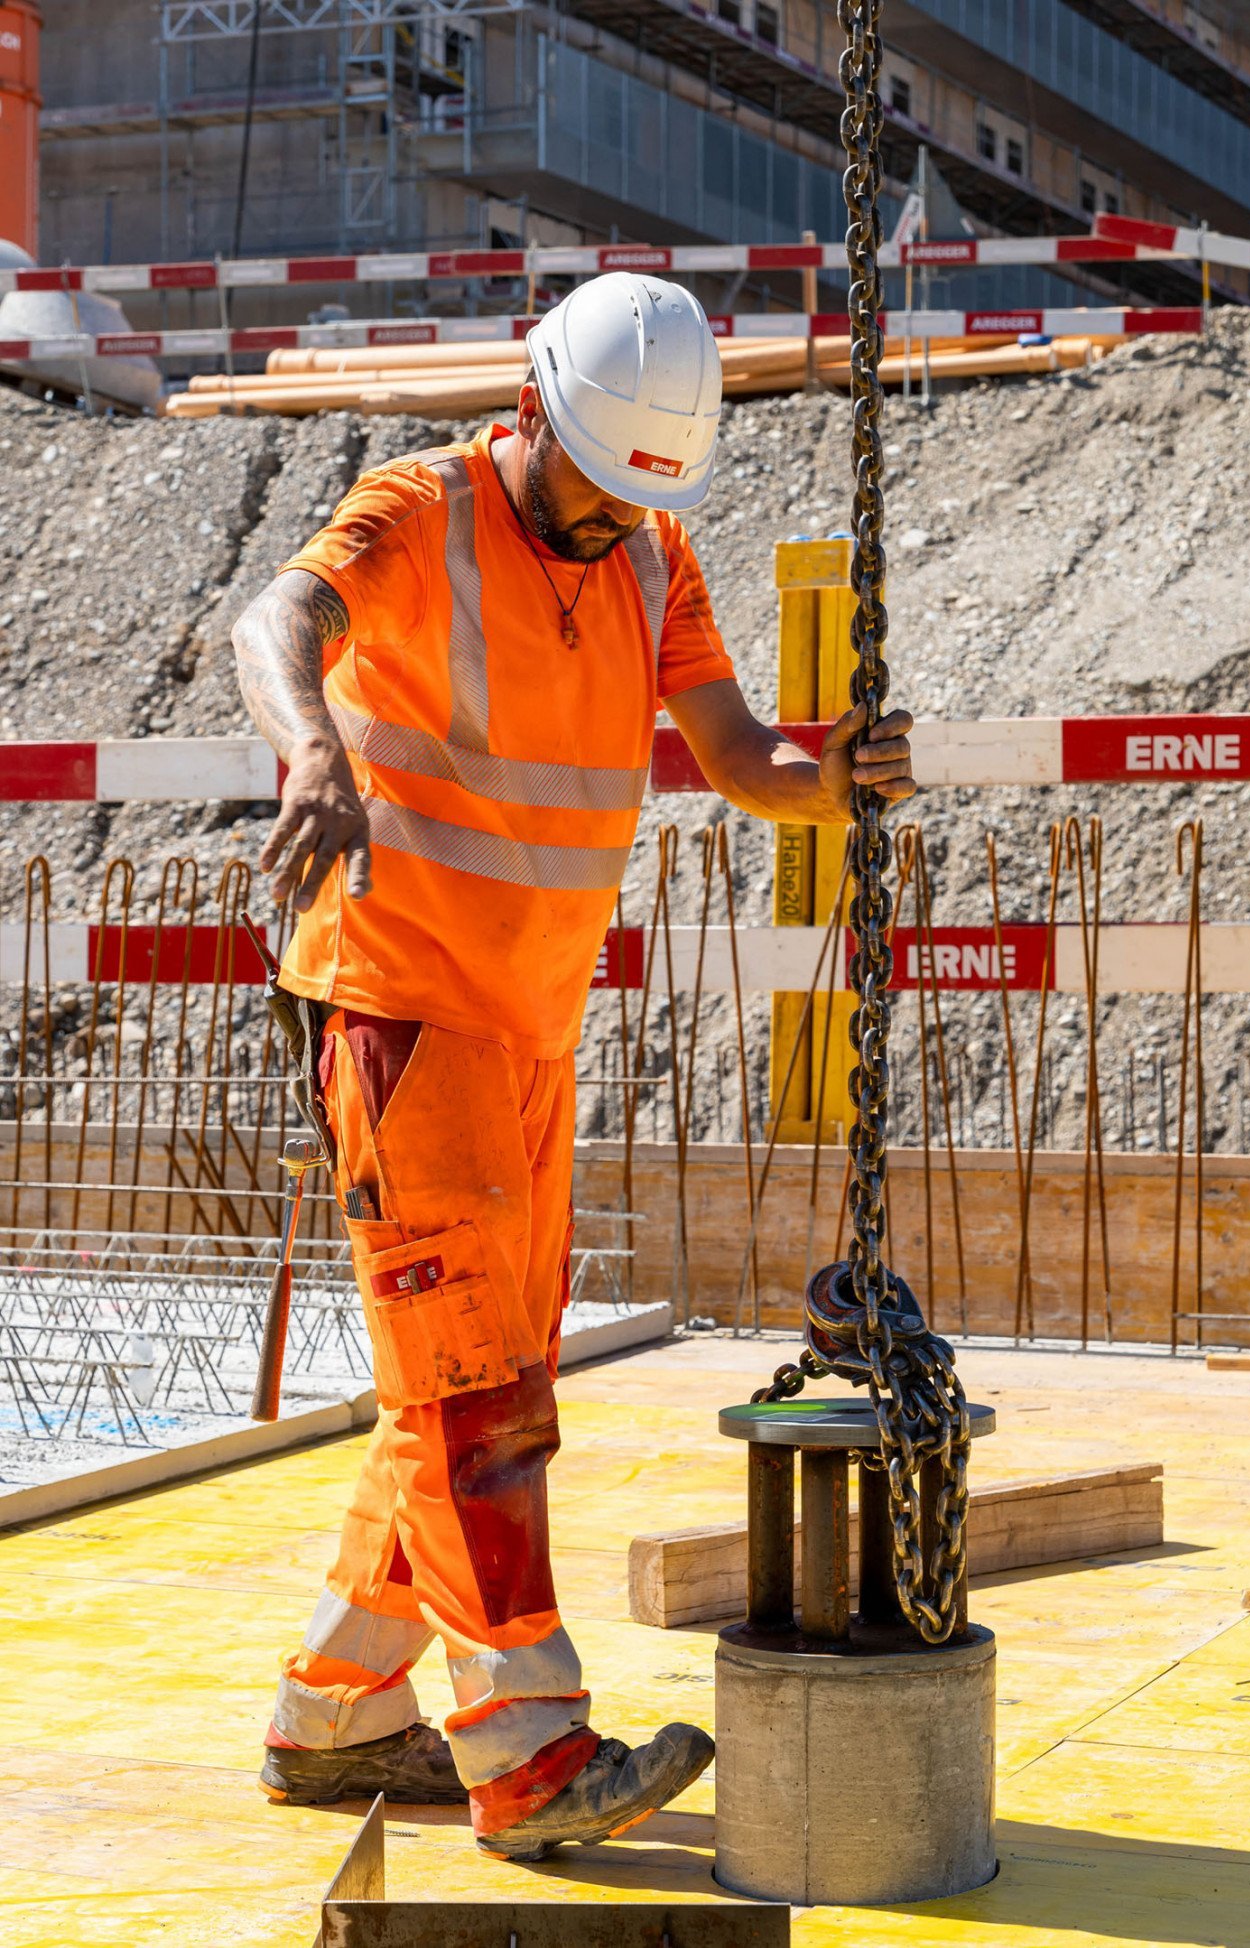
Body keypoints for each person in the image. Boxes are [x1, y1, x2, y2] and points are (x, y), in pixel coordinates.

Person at [232, 272, 916, 1863]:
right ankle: (528, 1758)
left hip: (531, 1031)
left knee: (471, 1384)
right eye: (593, 489)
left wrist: (829, 780)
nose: (608, 523)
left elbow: (738, 756)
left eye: (635, 499)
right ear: (531, 406)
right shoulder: (419, 509)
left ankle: (334, 1715)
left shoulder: (651, 551)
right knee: (474, 1396)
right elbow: (275, 620)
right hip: (401, 1008)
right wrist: (314, 744)